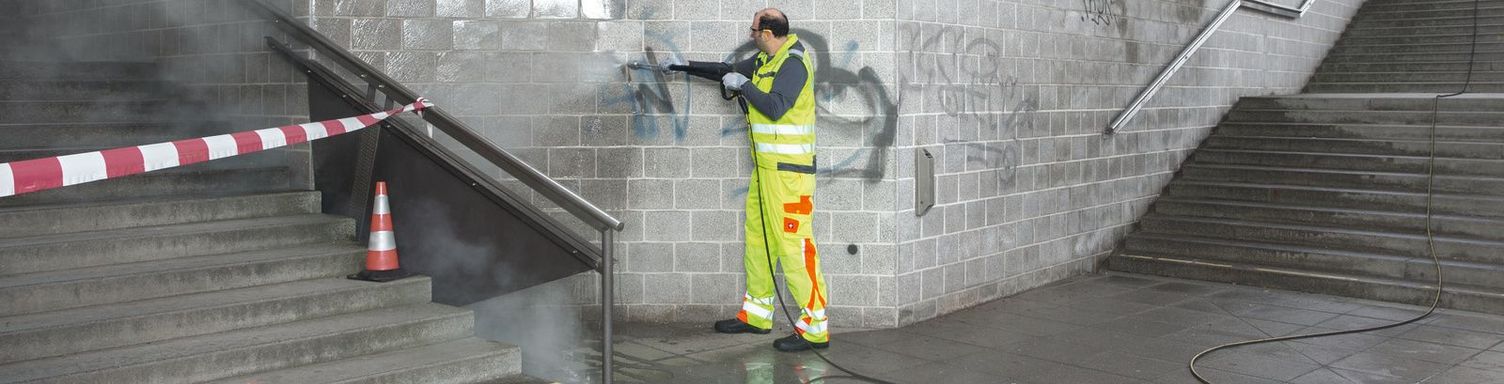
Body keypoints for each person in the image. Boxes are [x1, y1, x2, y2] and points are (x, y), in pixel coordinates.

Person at [710, 8, 829, 352]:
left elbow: (776, 107)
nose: (750, 35)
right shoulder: (765, 59)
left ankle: (815, 326)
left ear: (766, 32)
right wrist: (680, 66)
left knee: (794, 245)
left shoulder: (792, 63)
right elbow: (726, 71)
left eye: (753, 30)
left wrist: (743, 86)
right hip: (765, 171)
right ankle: (757, 313)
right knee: (758, 238)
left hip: (791, 174)